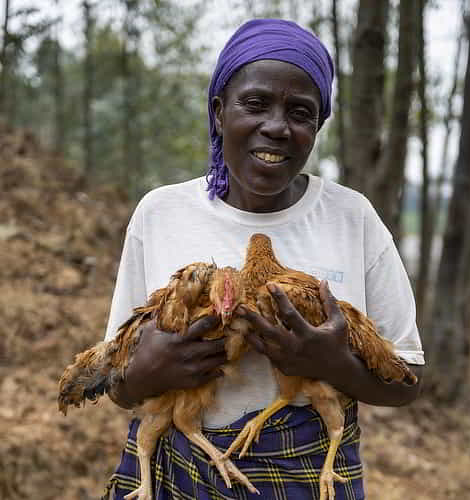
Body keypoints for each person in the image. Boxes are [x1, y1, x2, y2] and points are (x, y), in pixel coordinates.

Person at [102, 18, 425, 500]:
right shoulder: (161, 212)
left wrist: (334, 363)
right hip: (174, 471)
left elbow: (408, 380)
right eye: (255, 104)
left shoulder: (350, 217)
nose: (276, 127)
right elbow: (117, 383)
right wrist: (146, 373)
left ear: (317, 126)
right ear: (218, 112)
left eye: (300, 112)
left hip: (309, 475)